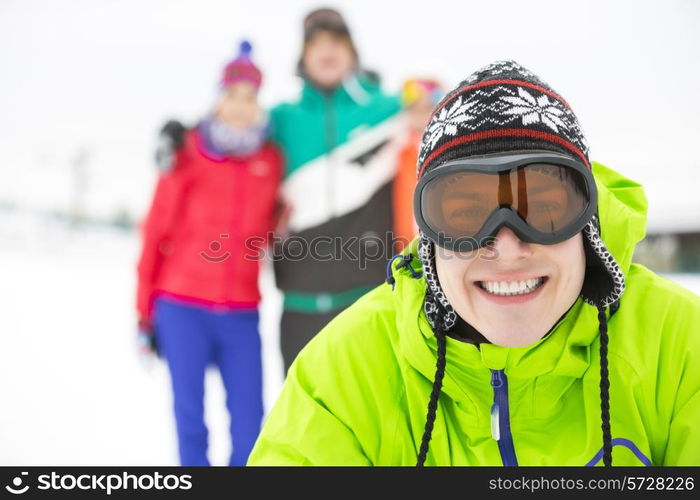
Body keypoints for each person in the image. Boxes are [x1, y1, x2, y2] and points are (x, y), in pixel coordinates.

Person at [247, 61, 700, 466]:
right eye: (464, 215)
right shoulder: (347, 373)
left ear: (588, 220)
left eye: (544, 209)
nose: (507, 247)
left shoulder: (678, 347)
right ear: (430, 239)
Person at [135, 41, 283, 466]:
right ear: (218, 99)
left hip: (241, 311)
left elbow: (271, 225)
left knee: (251, 424)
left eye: (249, 98)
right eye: (232, 96)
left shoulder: (270, 159)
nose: (239, 106)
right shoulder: (187, 151)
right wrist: (144, 315)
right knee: (191, 422)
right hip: (181, 307)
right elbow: (154, 236)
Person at [270, 8, 402, 373]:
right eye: (317, 43)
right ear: (303, 55)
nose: (327, 51)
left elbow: (434, 101)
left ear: (353, 52)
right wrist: (183, 136)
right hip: (299, 301)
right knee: (304, 420)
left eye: (337, 42)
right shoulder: (280, 119)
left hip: (368, 297)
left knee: (373, 413)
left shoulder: (386, 110)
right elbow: (231, 130)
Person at [393, 78, 445, 248]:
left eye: (428, 108)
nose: (421, 115)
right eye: (415, 109)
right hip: (407, 246)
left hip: (445, 243)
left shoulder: (450, 150)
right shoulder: (398, 150)